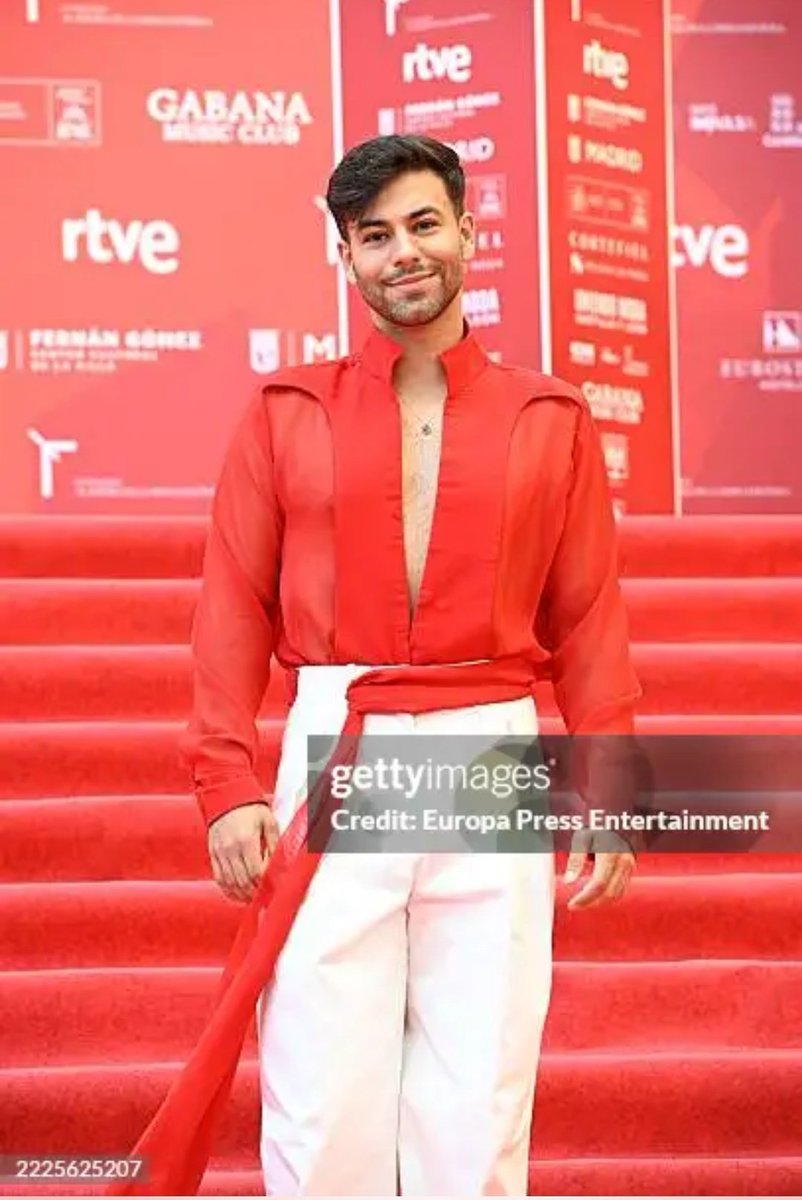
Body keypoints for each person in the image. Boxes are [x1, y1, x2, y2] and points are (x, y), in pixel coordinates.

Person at [113, 134, 641, 1199]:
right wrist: (226, 784)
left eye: (421, 224)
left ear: (466, 233)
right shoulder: (285, 411)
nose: (402, 251)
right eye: (373, 235)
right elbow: (229, 609)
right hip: (333, 740)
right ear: (345, 259)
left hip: (490, 743)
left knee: (479, 1083)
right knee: (321, 1087)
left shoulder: (551, 416)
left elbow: (587, 617)